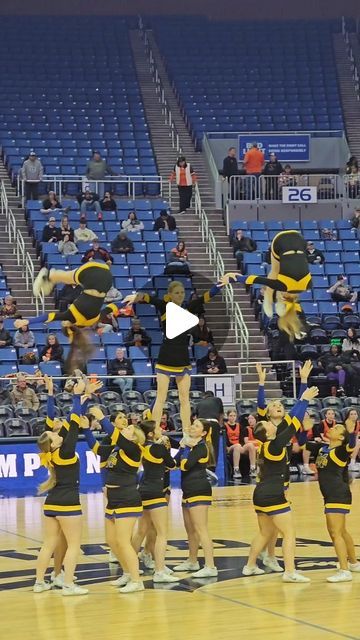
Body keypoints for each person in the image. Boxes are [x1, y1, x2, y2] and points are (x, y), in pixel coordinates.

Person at [123, 279, 225, 434]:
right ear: (169, 294)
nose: (180, 295)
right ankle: (155, 429)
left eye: (183, 292)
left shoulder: (189, 308)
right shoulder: (165, 307)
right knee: (161, 397)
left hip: (183, 356)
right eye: (177, 292)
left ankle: (186, 431)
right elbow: (147, 297)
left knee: (184, 399)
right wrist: (135, 296)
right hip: (167, 355)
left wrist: (219, 285)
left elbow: (206, 297)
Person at [242, 385, 319, 583]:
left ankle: (250, 566)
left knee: (265, 532)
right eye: (269, 426)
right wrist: (304, 400)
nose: (272, 425)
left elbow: (290, 423)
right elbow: (293, 425)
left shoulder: (268, 444)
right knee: (289, 532)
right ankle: (290, 572)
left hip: (260, 493)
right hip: (273, 494)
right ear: (267, 433)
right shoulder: (275, 444)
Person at [33, 376, 89, 595]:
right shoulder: (64, 451)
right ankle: (68, 584)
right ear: (53, 442)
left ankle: (39, 582)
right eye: (52, 434)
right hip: (68, 503)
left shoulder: (54, 451)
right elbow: (73, 424)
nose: (55, 433)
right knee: (74, 545)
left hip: (51, 504)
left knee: (48, 544)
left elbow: (69, 422)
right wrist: (76, 396)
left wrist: (83, 399)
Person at [15, 262, 114, 373]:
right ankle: (49, 275)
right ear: (69, 324)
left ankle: (50, 277)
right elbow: (49, 316)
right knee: (67, 278)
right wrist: (28, 321)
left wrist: (132, 299)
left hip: (107, 279)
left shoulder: (94, 320)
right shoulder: (72, 316)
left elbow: (111, 308)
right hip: (90, 274)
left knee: (71, 280)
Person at [88, 405, 145, 593]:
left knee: (122, 541)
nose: (126, 427)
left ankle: (137, 581)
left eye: (129, 428)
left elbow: (116, 435)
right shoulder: (116, 449)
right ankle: (128, 573)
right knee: (111, 541)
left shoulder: (134, 449)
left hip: (127, 497)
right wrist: (85, 429)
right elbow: (96, 449)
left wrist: (102, 418)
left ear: (135, 437)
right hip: (113, 498)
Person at [223, 230, 312, 341]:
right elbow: (258, 279)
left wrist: (237, 278)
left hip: (290, 247)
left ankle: (298, 330)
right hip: (287, 247)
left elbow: (258, 279)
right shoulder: (288, 286)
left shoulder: (299, 285)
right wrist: (237, 278)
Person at [132, 420, 178, 584]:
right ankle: (159, 571)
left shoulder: (144, 447)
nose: (161, 429)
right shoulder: (158, 448)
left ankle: (128, 569)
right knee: (161, 533)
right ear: (151, 433)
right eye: (158, 428)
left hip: (142, 491)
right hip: (156, 493)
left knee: (141, 531)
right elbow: (173, 464)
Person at [315, 420, 360, 582]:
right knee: (340, 531)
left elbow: (351, 445)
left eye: (336, 428)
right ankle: (354, 563)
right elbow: (302, 445)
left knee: (336, 533)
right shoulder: (323, 449)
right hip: (329, 495)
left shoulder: (340, 451)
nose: (332, 428)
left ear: (341, 437)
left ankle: (344, 570)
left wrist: (351, 431)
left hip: (337, 494)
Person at [173, 419, 218, 577]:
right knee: (190, 530)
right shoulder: (191, 447)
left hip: (199, 490)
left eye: (197, 426)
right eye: (193, 424)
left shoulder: (200, 447)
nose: (193, 426)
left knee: (201, 529)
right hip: (187, 491)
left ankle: (211, 566)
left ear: (204, 433)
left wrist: (184, 446)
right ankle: (192, 561)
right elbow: (174, 462)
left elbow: (184, 465)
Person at [195, 390, 224, 476]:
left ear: (204, 396)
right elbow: (221, 414)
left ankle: (201, 468)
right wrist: (220, 425)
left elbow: (194, 416)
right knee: (214, 447)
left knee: (201, 446)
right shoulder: (217, 400)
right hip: (214, 423)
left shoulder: (200, 403)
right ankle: (212, 470)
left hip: (202, 424)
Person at [224, 409, 257, 478]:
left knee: (250, 445)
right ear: (227, 417)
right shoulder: (225, 426)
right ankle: (236, 469)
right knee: (237, 446)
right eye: (230, 416)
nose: (232, 417)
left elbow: (242, 439)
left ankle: (253, 468)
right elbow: (225, 440)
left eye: (234, 416)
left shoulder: (239, 426)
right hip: (229, 447)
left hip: (239, 446)